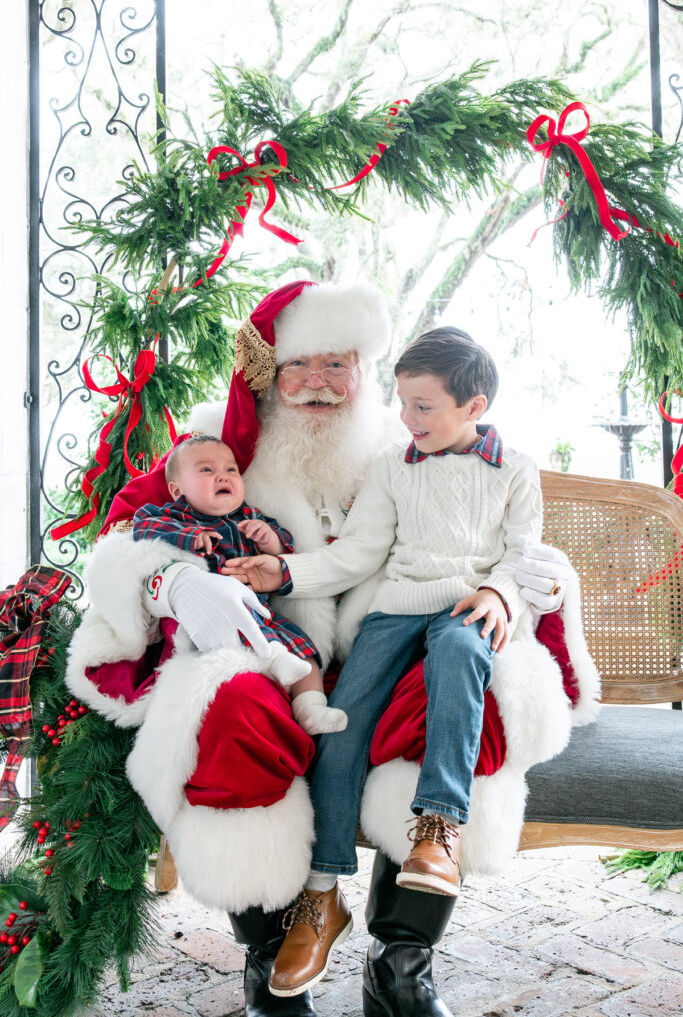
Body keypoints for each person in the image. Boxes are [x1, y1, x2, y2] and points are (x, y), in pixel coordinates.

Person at [65, 281, 599, 1017]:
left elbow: (502, 543)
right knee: (231, 712)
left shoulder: (401, 442)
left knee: (465, 694)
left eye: (337, 364)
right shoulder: (218, 446)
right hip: (260, 651)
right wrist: (171, 585)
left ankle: (402, 964)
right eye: (298, 366)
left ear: (364, 370)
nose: (316, 383)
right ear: (267, 374)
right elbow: (130, 538)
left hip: (398, 635)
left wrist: (526, 583)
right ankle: (268, 960)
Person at [226, 326, 544, 997]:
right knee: (343, 724)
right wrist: (281, 571)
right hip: (395, 609)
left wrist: (500, 592)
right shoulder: (394, 467)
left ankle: (438, 828)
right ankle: (321, 894)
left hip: (469, 607)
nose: (407, 419)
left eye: (423, 406)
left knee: (459, 660)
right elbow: (357, 553)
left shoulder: (513, 468)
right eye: (401, 404)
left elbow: (524, 553)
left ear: (473, 407)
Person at [131, 435, 347, 734]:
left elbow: (285, 549)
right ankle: (274, 661)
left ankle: (311, 708)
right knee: (246, 644)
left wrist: (269, 538)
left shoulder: (250, 516)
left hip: (261, 612)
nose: (222, 475)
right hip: (212, 618)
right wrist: (190, 537)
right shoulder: (175, 516)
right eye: (206, 470)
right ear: (177, 490)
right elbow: (145, 527)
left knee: (305, 653)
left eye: (231, 470)